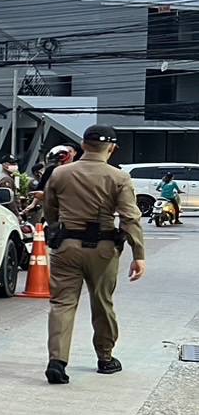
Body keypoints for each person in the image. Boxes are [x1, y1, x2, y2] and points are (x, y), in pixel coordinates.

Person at [43, 125, 146, 384]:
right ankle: (105, 357)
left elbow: (50, 210)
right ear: (112, 148)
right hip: (102, 248)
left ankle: (57, 361)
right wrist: (138, 253)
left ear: (83, 145)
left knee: (62, 304)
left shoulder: (59, 173)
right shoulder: (118, 177)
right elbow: (129, 217)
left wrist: (60, 230)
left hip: (66, 246)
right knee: (102, 301)